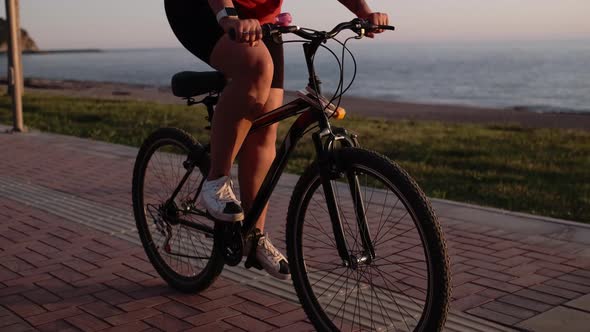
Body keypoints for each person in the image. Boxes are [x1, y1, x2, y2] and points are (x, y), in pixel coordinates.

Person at [164, 0, 388, 280]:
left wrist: (364, 13)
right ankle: (216, 181)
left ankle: (253, 236)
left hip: (260, 21)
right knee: (256, 65)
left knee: (266, 124)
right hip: (200, 10)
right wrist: (227, 17)